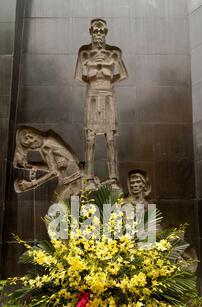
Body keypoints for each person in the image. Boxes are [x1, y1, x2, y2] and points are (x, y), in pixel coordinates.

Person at [75, 18, 128, 190]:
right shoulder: (84, 53)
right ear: (91, 31)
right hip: (92, 94)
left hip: (107, 95)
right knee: (90, 136)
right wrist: (92, 82)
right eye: (95, 30)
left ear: (106, 32)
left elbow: (124, 74)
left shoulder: (114, 53)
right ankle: (89, 178)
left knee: (110, 136)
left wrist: (109, 82)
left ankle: (113, 178)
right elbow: (78, 76)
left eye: (101, 30)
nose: (98, 33)